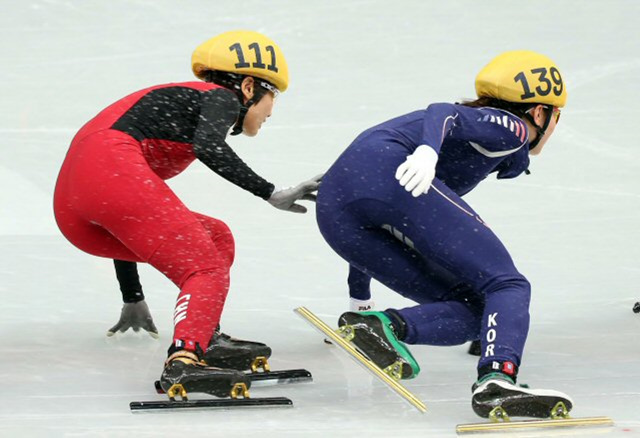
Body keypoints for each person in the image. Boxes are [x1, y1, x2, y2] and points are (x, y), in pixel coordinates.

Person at [54, 30, 320, 398]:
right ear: (247, 87)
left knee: (215, 235)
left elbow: (119, 216)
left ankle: (201, 335)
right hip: (108, 168)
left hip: (73, 207)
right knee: (205, 267)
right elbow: (208, 146)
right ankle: (184, 361)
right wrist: (270, 192)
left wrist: (132, 294)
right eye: (273, 96)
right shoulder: (219, 98)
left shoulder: (181, 105)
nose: (272, 109)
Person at [316, 50, 572, 418]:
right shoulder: (510, 126)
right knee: (507, 285)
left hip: (337, 207)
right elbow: (444, 111)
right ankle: (497, 379)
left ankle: (379, 325)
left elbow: (379, 225)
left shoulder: (482, 148)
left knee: (478, 311)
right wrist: (426, 151)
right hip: (387, 174)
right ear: (538, 112)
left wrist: (360, 300)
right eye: (556, 115)